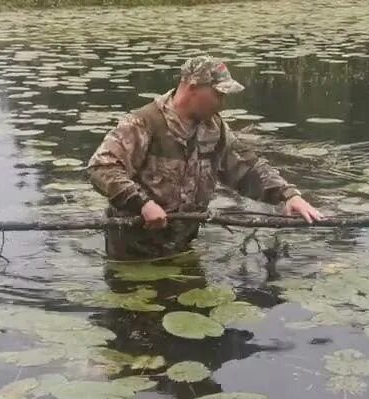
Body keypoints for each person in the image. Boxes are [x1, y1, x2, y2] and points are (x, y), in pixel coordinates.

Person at [87, 55, 324, 260]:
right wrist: (143, 204)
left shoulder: (214, 128)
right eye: (218, 95)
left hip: (183, 248)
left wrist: (289, 195)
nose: (223, 103)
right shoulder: (143, 123)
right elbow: (102, 168)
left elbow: (247, 168)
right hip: (132, 255)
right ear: (192, 87)